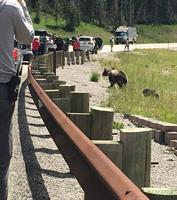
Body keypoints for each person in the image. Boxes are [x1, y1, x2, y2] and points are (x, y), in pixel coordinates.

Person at [0, 0, 34, 200]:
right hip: (2, 87)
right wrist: (24, 6)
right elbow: (27, 36)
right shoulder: (11, 6)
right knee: (1, 159)